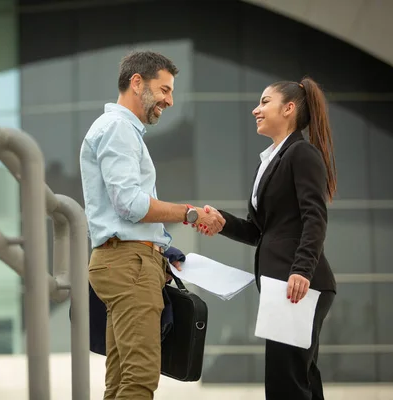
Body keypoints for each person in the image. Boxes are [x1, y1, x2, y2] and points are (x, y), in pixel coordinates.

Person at [79, 50, 224, 400]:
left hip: (127, 261)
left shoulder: (117, 130)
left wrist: (160, 244)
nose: (170, 100)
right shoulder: (118, 129)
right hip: (129, 265)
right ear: (136, 82)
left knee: (121, 379)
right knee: (141, 377)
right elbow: (130, 204)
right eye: (164, 89)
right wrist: (190, 213)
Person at [203, 77, 337, 399]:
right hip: (284, 283)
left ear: (289, 108)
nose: (256, 109)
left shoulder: (301, 153)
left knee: (287, 383)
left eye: (265, 102)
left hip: (297, 284)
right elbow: (260, 231)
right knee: (295, 380)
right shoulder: (271, 160)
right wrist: (221, 223)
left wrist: (301, 270)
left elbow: (314, 217)